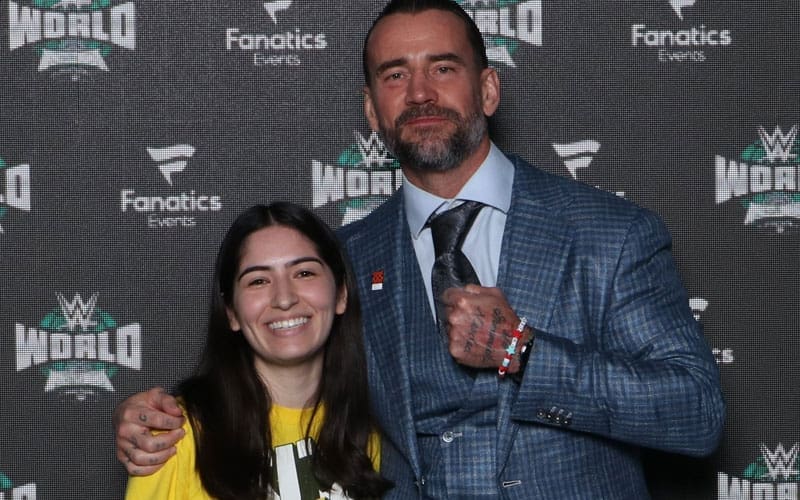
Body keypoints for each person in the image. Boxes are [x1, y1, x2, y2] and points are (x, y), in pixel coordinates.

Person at [114, 1, 726, 498]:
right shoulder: (345, 258)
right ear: (372, 109)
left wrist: (526, 354)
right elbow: (272, 373)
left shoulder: (609, 233)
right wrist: (164, 419)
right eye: (395, 75)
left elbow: (696, 415)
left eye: (443, 68)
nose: (420, 94)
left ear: (488, 89)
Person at [123, 203, 392, 499]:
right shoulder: (176, 436)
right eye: (258, 281)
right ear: (231, 312)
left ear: (341, 293)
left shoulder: (374, 431)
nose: (284, 299)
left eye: (304, 273)